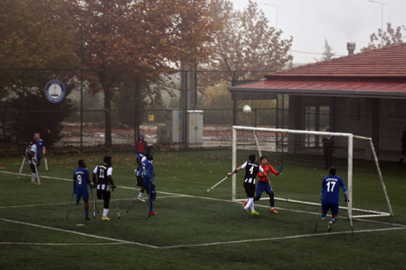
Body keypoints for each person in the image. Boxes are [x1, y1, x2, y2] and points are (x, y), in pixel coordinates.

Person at [320, 167, 349, 232]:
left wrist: (321, 197)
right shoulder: (339, 178)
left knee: (324, 209)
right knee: (335, 216)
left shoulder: (325, 178)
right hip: (334, 200)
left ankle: (323, 214)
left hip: (325, 200)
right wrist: (346, 198)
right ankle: (331, 221)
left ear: (329, 172)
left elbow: (322, 190)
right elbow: (345, 190)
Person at [93, 156, 117, 221]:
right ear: (107, 161)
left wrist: (95, 182)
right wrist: (113, 184)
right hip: (106, 187)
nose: (111, 162)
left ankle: (100, 196)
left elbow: (93, 174)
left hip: (99, 186)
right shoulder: (109, 168)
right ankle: (104, 216)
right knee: (106, 201)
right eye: (111, 161)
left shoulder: (98, 166)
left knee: (100, 197)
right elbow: (109, 176)